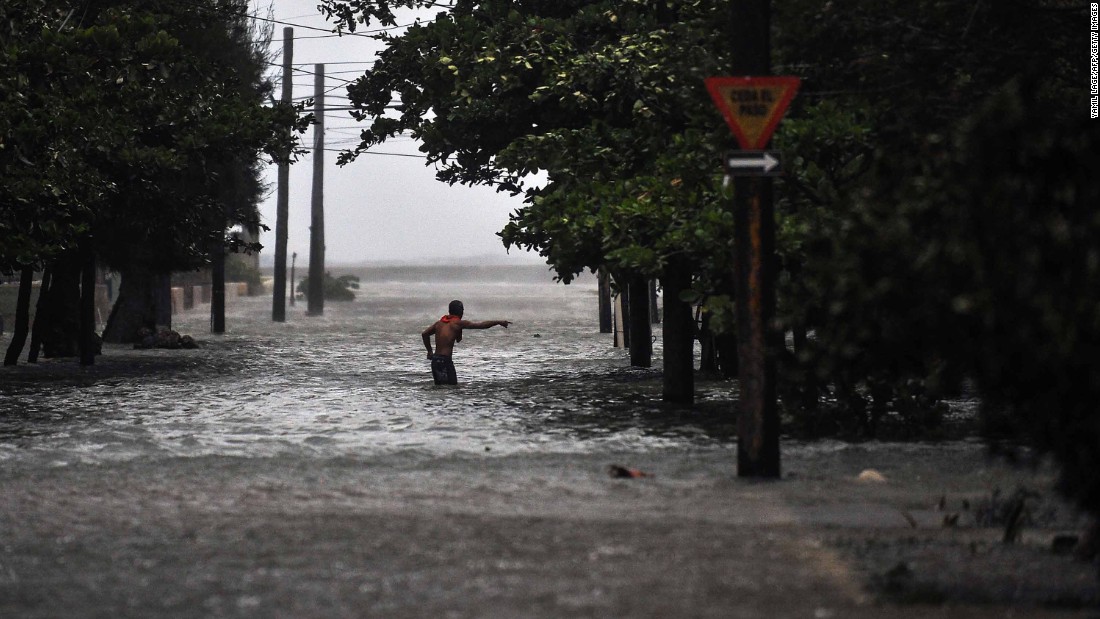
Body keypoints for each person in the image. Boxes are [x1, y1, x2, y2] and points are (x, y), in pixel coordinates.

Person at [421, 300, 510, 385]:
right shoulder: (458, 323)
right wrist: (498, 322)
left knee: (440, 389)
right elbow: (480, 325)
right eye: (462, 310)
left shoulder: (439, 323)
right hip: (445, 361)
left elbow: (425, 334)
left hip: (435, 361)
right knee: (451, 389)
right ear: (460, 311)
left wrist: (429, 351)